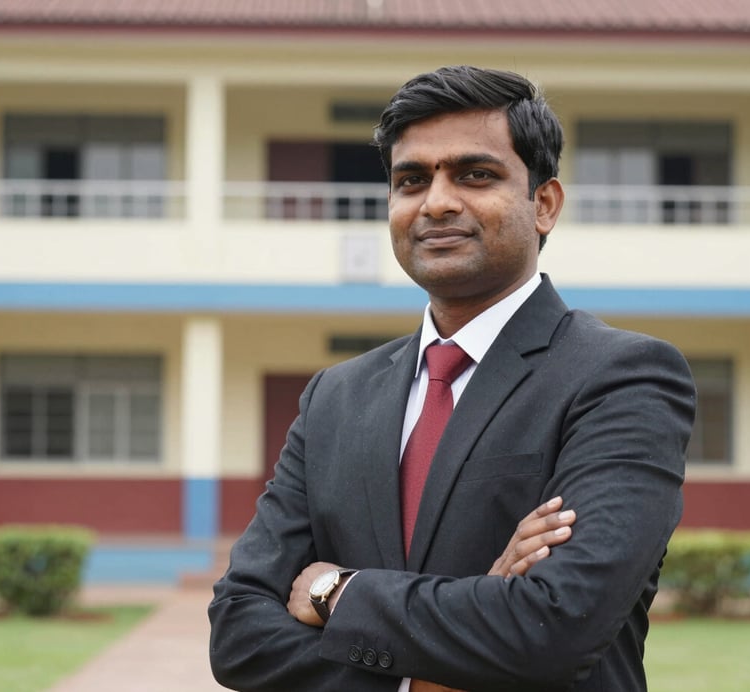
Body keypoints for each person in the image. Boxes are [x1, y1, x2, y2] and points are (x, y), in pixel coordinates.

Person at [209, 65, 696, 692]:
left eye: (475, 174)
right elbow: (238, 635)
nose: (436, 201)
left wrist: (337, 589)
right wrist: (420, 680)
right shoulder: (334, 397)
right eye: (411, 180)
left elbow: (555, 625)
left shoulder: (622, 378)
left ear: (543, 204)